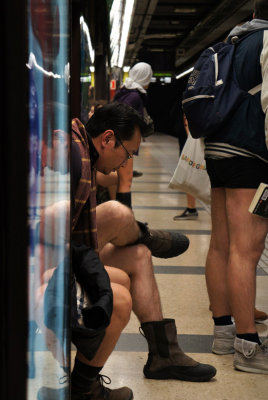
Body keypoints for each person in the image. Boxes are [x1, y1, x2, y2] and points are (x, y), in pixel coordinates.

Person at [71, 102, 216, 397]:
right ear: (108, 139)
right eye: (127, 153)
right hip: (47, 258)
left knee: (138, 255)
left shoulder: (82, 155)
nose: (126, 164)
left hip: (72, 251)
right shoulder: (74, 158)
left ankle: (163, 355)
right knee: (117, 214)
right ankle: (142, 234)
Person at [204, 0, 268, 374]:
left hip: (218, 151)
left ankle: (224, 335)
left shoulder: (234, 39)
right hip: (251, 155)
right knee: (247, 249)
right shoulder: (266, 41)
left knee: (221, 245)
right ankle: (248, 348)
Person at [113, 62, 153, 208]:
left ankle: (122, 217)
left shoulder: (126, 91)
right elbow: (123, 118)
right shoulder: (134, 96)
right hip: (124, 143)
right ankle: (125, 220)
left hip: (123, 142)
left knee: (123, 180)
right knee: (126, 181)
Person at [173, 114, 198, 220]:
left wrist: (190, 138)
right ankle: (191, 207)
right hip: (188, 137)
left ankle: (191, 208)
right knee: (189, 172)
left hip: (190, 138)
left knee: (189, 172)